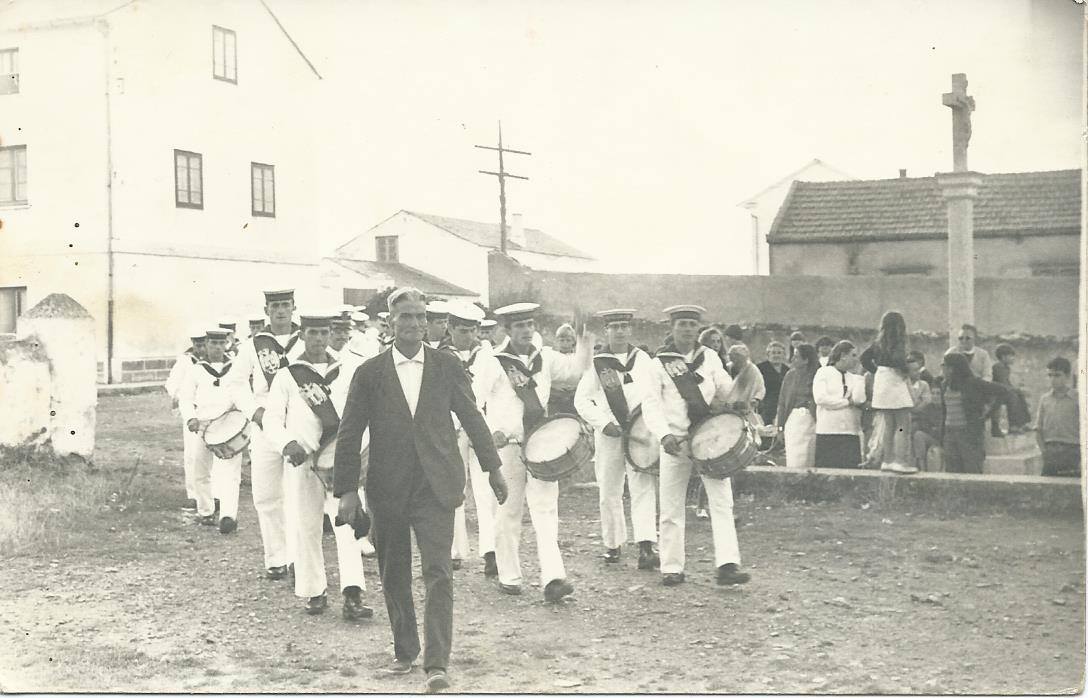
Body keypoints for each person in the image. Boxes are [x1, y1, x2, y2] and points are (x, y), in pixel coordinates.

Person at [333, 287, 508, 693]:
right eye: (405, 317)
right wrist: (346, 490)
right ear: (389, 323)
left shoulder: (446, 366)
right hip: (387, 487)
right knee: (394, 573)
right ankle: (405, 649)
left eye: (419, 316)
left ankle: (437, 663)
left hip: (436, 485)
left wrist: (493, 468)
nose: (413, 324)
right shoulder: (370, 372)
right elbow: (349, 432)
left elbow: (472, 417)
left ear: (428, 322)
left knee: (438, 572)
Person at [262, 313, 372, 620]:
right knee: (306, 525)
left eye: (325, 333)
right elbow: (271, 419)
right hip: (303, 460)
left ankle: (353, 593)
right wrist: (286, 443)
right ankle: (313, 591)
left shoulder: (349, 369)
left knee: (346, 522)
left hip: (341, 459)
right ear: (303, 334)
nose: (319, 339)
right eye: (313, 333)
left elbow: (362, 410)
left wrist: (362, 450)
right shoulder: (288, 375)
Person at [481, 302, 591, 602]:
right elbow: (473, 400)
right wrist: (491, 432)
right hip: (508, 447)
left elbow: (576, 369)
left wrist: (583, 336)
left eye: (530, 325)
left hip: (540, 444)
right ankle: (509, 575)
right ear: (506, 330)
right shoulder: (493, 361)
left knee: (546, 511)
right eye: (519, 326)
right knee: (508, 511)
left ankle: (553, 579)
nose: (526, 331)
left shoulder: (545, 358)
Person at [640, 304, 750, 588]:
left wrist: (740, 391)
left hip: (709, 439)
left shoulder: (710, 357)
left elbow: (727, 390)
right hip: (675, 441)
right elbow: (650, 405)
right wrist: (663, 435)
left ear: (698, 328)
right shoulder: (658, 363)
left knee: (722, 501)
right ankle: (672, 567)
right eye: (682, 324)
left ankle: (727, 565)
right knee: (671, 505)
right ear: (672, 328)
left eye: (692, 324)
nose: (687, 329)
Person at [574, 309, 659, 569]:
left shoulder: (643, 359)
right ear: (607, 331)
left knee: (642, 486)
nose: (620, 331)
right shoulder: (598, 363)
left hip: (639, 432)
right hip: (610, 434)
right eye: (615, 327)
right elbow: (581, 400)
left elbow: (654, 393)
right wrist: (604, 423)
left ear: (630, 330)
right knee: (609, 489)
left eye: (624, 326)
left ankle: (646, 546)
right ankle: (613, 544)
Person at [227, 289, 303, 580]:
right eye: (275, 306)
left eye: (285, 305)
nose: (281, 311)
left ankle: (298, 557)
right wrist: (254, 412)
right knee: (266, 493)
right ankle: (276, 557)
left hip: (297, 424)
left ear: (294, 307)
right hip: (264, 426)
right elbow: (235, 384)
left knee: (298, 492)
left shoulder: (305, 339)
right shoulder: (253, 345)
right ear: (267, 309)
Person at [440, 302, 502, 576]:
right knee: (454, 487)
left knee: (485, 490)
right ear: (450, 328)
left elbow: (496, 395)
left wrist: (491, 427)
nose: (468, 336)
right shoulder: (439, 356)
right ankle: (454, 550)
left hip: (479, 427)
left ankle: (490, 550)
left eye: (472, 330)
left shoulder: (488, 357)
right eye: (462, 330)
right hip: (450, 428)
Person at [178, 328, 243, 532]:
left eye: (220, 343)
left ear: (226, 344)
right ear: (206, 345)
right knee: (200, 469)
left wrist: (241, 415)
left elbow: (243, 393)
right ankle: (206, 511)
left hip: (228, 425)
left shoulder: (236, 368)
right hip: (203, 426)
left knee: (230, 471)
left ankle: (228, 515)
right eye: (212, 344)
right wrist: (190, 418)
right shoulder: (196, 370)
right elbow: (186, 398)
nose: (216, 348)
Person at [860, 311, 917, 474]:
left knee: (889, 424)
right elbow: (899, 361)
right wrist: (906, 370)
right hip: (894, 380)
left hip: (882, 380)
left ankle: (887, 460)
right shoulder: (898, 343)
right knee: (902, 424)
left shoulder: (878, 343)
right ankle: (900, 461)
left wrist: (876, 370)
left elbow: (864, 359)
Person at [939, 351, 1007, 474]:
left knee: (972, 471)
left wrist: (987, 416)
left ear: (953, 369)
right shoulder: (944, 385)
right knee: (952, 474)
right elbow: (944, 412)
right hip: (950, 434)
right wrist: (942, 436)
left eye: (945, 366)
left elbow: (1003, 391)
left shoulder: (973, 383)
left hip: (969, 434)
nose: (943, 369)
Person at [166, 329, 207, 510]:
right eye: (197, 344)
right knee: (192, 454)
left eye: (204, 344)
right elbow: (171, 384)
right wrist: (184, 397)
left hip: (213, 411)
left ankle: (214, 494)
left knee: (212, 453)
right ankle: (193, 493)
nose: (201, 348)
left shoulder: (216, 360)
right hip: (192, 411)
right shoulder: (185, 362)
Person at [813, 340, 866, 468]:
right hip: (828, 431)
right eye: (853, 355)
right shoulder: (823, 372)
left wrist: (859, 378)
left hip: (850, 431)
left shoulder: (854, 378)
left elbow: (859, 399)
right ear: (842, 355)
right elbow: (821, 399)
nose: (856, 359)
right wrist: (846, 402)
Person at [1034, 357, 1080, 477]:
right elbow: (1038, 429)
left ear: (1068, 376)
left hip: (1073, 452)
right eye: (1050, 375)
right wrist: (1044, 452)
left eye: (1057, 375)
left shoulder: (1079, 399)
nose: (1053, 379)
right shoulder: (1044, 399)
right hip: (1051, 453)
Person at [775, 343, 819, 469]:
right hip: (793, 422)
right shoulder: (790, 376)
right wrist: (780, 428)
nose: (792, 360)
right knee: (794, 460)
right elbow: (782, 403)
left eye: (796, 357)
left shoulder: (817, 375)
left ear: (806, 360)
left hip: (811, 421)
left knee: (810, 459)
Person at [906, 353, 941, 471]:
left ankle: (919, 465)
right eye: (915, 370)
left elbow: (926, 403)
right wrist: (918, 404)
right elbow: (906, 405)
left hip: (918, 421)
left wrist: (913, 407)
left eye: (918, 369)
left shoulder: (924, 384)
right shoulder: (903, 385)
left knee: (915, 430)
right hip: (906, 420)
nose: (918, 372)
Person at [990, 344, 1032, 436]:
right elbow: (1003, 384)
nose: (1013, 358)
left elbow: (1007, 384)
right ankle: (1013, 426)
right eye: (1011, 356)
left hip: (1002, 391)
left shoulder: (1006, 368)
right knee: (1012, 396)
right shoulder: (998, 367)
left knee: (1019, 394)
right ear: (1003, 357)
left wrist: (1017, 390)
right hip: (995, 393)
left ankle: (1022, 423)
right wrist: (1015, 390)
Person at [546, 323, 580, 416]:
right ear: (556, 341)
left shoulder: (578, 358)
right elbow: (545, 377)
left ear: (573, 341)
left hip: (574, 395)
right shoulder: (551, 357)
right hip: (555, 396)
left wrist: (575, 387)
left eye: (568, 340)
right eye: (562, 340)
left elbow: (584, 377)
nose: (565, 343)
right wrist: (554, 386)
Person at [757, 341, 789, 430]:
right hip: (765, 407)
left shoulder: (788, 370)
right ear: (768, 354)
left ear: (783, 355)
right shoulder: (760, 368)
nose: (776, 355)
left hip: (782, 407)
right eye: (773, 353)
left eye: (779, 353)